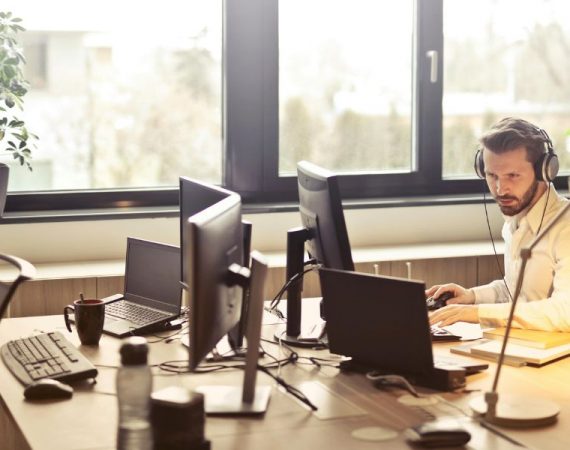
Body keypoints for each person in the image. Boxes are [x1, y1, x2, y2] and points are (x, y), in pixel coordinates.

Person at [427, 117, 570, 332]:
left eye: (513, 175)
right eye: (492, 175)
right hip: (524, 344)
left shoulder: (564, 227)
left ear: (545, 172)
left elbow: (565, 312)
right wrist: (472, 297)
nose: (501, 189)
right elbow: (517, 292)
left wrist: (478, 313)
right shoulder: (516, 219)